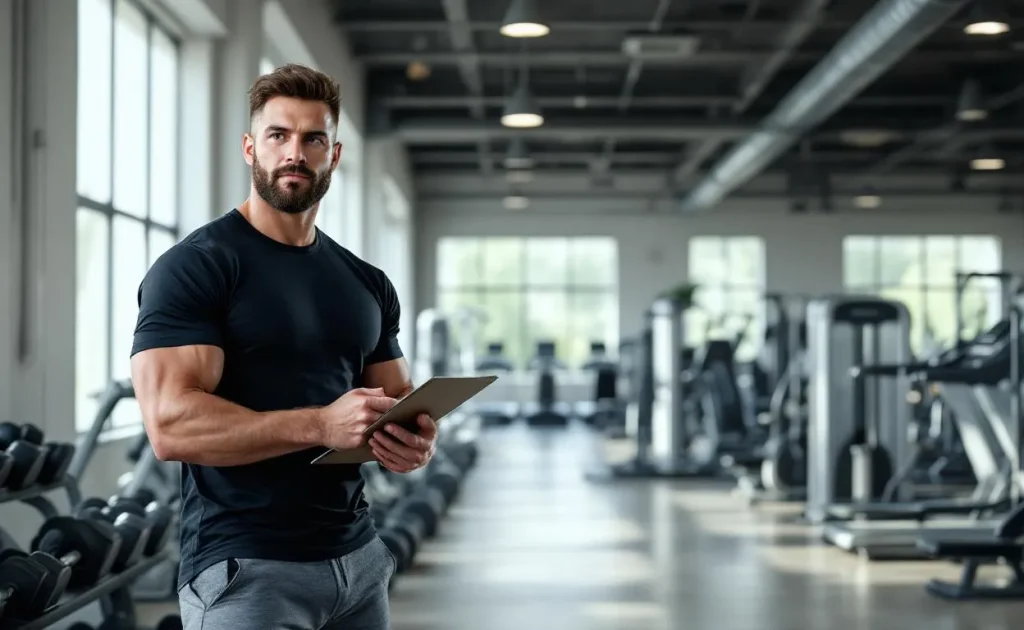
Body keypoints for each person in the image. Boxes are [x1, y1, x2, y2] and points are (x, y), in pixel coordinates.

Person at [130, 63, 435, 630]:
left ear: (334, 155)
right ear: (251, 148)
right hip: (248, 568)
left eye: (313, 139)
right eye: (278, 135)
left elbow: (396, 402)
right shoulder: (198, 268)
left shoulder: (365, 281)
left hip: (359, 560)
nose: (295, 152)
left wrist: (412, 440)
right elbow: (170, 426)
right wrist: (320, 425)